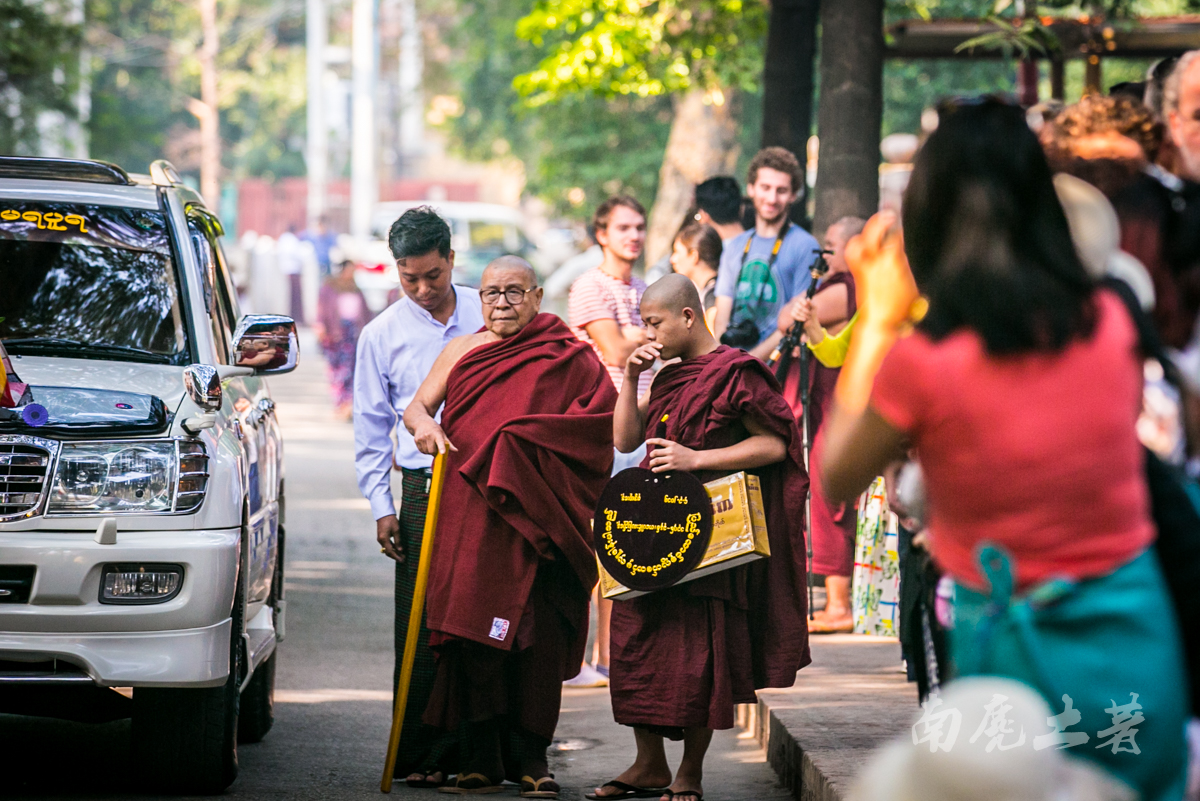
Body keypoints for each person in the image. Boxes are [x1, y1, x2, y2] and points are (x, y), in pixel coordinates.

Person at [820, 98, 1188, 801]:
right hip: (1136, 642)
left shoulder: (921, 365)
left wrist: (879, 318)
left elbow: (838, 472)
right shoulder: (1112, 318)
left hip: (1011, 677)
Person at [403, 257, 617, 798]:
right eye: (493, 293)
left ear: (538, 296)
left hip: (541, 519)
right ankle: (478, 756)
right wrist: (427, 428)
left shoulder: (570, 355)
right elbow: (416, 408)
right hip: (473, 513)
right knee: (472, 630)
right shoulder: (462, 351)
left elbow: (597, 430)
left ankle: (531, 757)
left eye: (515, 292)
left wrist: (520, 444)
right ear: (480, 300)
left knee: (536, 638)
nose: (502, 302)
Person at [595, 274, 810, 801]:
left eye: (654, 322)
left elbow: (775, 446)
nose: (648, 333)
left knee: (699, 653)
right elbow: (626, 439)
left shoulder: (736, 372)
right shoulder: (667, 375)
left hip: (709, 532)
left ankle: (689, 772)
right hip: (650, 529)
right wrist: (629, 380)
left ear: (688, 317)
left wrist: (697, 459)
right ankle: (648, 764)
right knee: (633, 640)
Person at [353, 206, 484, 788]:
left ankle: (480, 755)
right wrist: (383, 505)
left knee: (482, 614)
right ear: (396, 272)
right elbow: (369, 427)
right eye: (410, 279)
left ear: (452, 259)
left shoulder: (492, 310)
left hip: (488, 485)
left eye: (433, 275)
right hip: (421, 490)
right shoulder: (381, 334)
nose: (424, 289)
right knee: (421, 622)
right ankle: (421, 755)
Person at [568, 196, 654, 686]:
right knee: (598, 544)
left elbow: (656, 344)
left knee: (626, 544)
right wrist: (637, 334)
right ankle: (583, 662)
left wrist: (632, 331)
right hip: (604, 426)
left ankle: (608, 659)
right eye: (623, 227)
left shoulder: (642, 288)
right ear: (601, 233)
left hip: (644, 427)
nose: (634, 235)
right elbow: (618, 349)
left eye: (639, 226)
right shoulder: (589, 287)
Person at [781, 216, 865, 633]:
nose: (824, 253)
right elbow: (829, 348)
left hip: (839, 404)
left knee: (827, 495)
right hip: (838, 397)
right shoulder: (860, 293)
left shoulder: (850, 287)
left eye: (831, 244)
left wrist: (802, 316)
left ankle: (838, 605)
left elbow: (785, 322)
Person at [713, 147, 820, 361]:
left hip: (775, 368)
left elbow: (794, 321)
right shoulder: (735, 246)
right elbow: (722, 315)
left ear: (793, 195)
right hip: (731, 363)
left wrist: (749, 363)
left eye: (781, 190)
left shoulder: (805, 246)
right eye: (765, 187)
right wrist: (722, 361)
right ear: (751, 188)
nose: (772, 198)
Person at [645, 177, 747, 284]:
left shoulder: (706, 253)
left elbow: (657, 275)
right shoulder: (758, 247)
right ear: (742, 210)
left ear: (703, 216)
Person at [315, 259, 372, 420]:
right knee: (337, 372)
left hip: (352, 334)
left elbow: (366, 313)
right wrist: (321, 328)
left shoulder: (356, 289)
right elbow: (321, 310)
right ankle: (340, 404)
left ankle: (349, 405)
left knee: (351, 370)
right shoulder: (329, 288)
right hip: (335, 335)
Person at [668, 222, 722, 332]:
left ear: (694, 256)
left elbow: (715, 338)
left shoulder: (712, 294)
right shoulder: (716, 289)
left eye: (677, 252)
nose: (672, 260)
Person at [301, 213, 338, 278]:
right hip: (315, 264)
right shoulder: (310, 235)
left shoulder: (330, 236)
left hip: (327, 264)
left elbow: (335, 248)